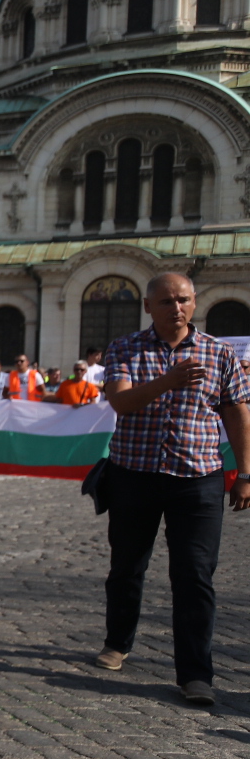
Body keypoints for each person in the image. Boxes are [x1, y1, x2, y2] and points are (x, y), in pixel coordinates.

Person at [92, 272, 250, 704]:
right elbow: (121, 402)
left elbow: (237, 411)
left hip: (198, 478)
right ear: (148, 307)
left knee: (195, 574)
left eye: (182, 300)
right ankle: (118, 641)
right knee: (127, 565)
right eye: (165, 302)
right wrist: (169, 380)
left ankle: (196, 674)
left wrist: (246, 474)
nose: (175, 308)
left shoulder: (218, 353)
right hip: (134, 474)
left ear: (194, 302)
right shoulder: (125, 347)